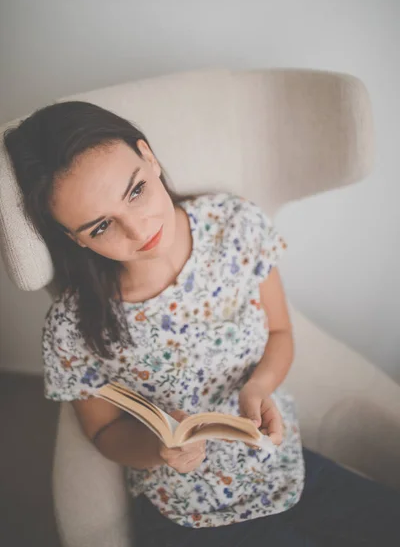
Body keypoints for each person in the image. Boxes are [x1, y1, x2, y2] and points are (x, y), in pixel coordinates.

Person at [4, 101, 400, 547]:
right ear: (73, 238)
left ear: (149, 157)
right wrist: (159, 449)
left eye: (135, 191)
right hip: (187, 514)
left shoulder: (235, 225)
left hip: (282, 466)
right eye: (101, 227)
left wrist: (258, 387)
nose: (138, 230)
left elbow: (281, 332)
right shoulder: (73, 326)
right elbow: (102, 430)